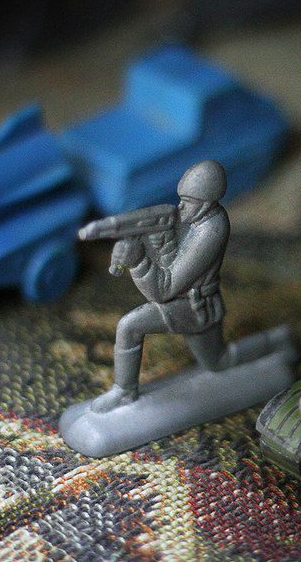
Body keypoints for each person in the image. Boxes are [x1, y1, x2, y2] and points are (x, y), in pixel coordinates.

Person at [91, 160, 230, 413]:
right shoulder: (197, 221)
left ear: (207, 204)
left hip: (196, 307)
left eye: (188, 201)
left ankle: (124, 392)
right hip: (188, 300)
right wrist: (160, 244)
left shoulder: (211, 229)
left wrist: (138, 261)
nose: (180, 207)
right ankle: (277, 341)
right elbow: (173, 263)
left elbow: (164, 290)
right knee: (217, 361)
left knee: (217, 362)